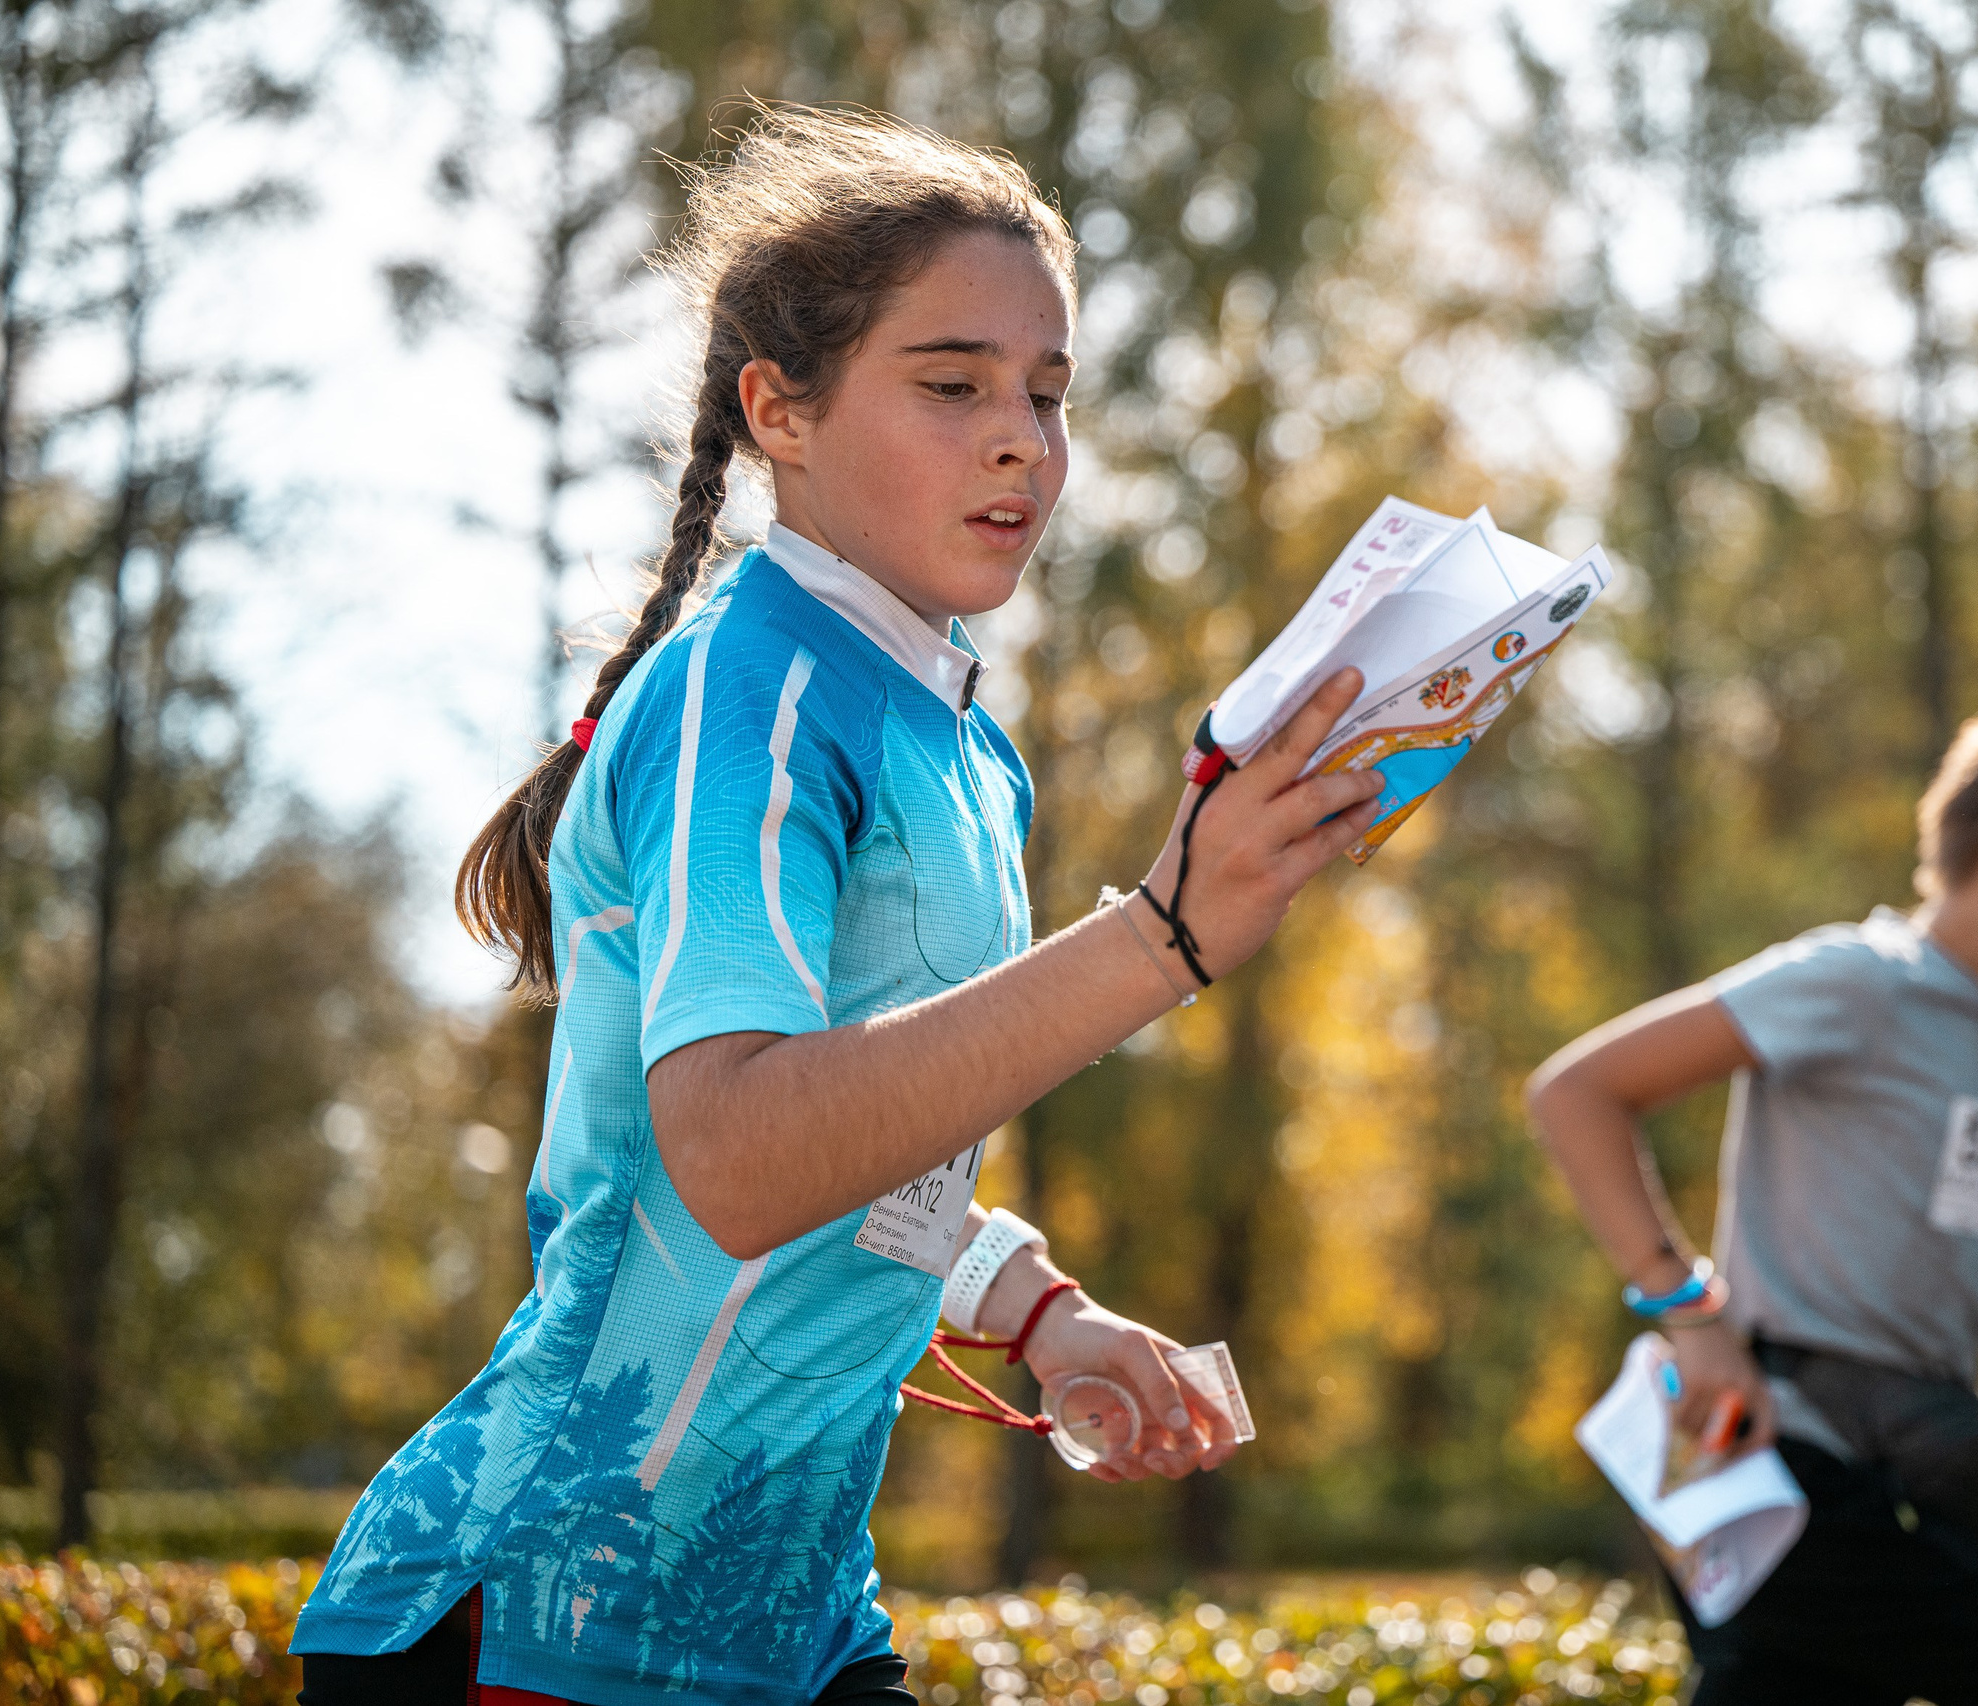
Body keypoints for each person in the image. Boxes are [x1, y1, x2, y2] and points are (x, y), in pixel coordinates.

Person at [290, 109, 1387, 1706]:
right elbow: (736, 1155)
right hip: (531, 1620)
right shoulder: (747, 696)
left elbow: (875, 1139)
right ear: (777, 409)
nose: (1022, 437)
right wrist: (1162, 932)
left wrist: (1040, 1310)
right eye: (953, 384)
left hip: (789, 1626)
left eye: (1048, 391)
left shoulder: (969, 751)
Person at [1526, 675, 1978, 1706]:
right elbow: (1579, 1091)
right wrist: (1683, 1308)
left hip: (1882, 1486)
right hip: (1777, 1473)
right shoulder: (1859, 982)